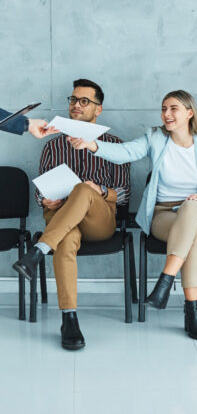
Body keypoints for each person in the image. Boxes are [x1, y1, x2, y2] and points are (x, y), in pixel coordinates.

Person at [68, 90, 197, 340]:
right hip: (164, 214)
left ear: (190, 113)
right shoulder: (155, 137)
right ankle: (192, 312)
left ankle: (165, 280)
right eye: (164, 108)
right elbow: (125, 152)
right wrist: (93, 145)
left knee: (191, 209)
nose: (166, 114)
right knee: (194, 233)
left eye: (173, 108)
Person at [13, 79, 130, 350]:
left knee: (83, 189)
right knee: (64, 240)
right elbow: (39, 193)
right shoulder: (53, 147)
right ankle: (69, 319)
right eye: (73, 100)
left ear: (98, 110)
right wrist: (45, 199)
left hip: (99, 221)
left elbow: (124, 194)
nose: (76, 105)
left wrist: (98, 190)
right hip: (61, 219)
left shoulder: (113, 144)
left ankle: (38, 251)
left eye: (84, 101)